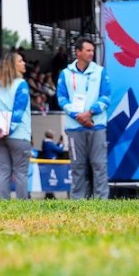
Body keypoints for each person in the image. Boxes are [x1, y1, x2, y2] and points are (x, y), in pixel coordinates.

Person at [57, 37, 111, 200]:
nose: (91, 53)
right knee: (77, 166)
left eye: (93, 50)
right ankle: (78, 201)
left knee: (99, 165)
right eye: (88, 50)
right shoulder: (66, 73)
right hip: (75, 127)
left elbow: (106, 96)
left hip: (96, 125)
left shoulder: (100, 71)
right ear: (78, 52)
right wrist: (77, 115)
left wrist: (90, 113)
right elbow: (61, 98)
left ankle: (102, 200)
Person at [0, 51, 32, 200]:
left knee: (3, 171)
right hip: (18, 134)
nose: (24, 63)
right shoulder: (21, 84)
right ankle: (22, 206)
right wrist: (8, 129)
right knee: (20, 172)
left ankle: (2, 204)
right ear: (13, 65)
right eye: (20, 61)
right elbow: (19, 110)